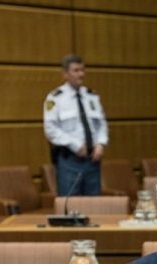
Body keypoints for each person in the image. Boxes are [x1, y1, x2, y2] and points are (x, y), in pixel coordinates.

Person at [43, 54, 108, 197]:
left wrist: (101, 144)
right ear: (65, 74)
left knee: (94, 205)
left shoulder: (92, 96)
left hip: (92, 160)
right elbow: (50, 129)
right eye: (76, 70)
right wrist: (74, 145)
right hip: (69, 161)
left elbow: (101, 123)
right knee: (70, 205)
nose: (81, 74)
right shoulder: (55, 97)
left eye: (83, 70)